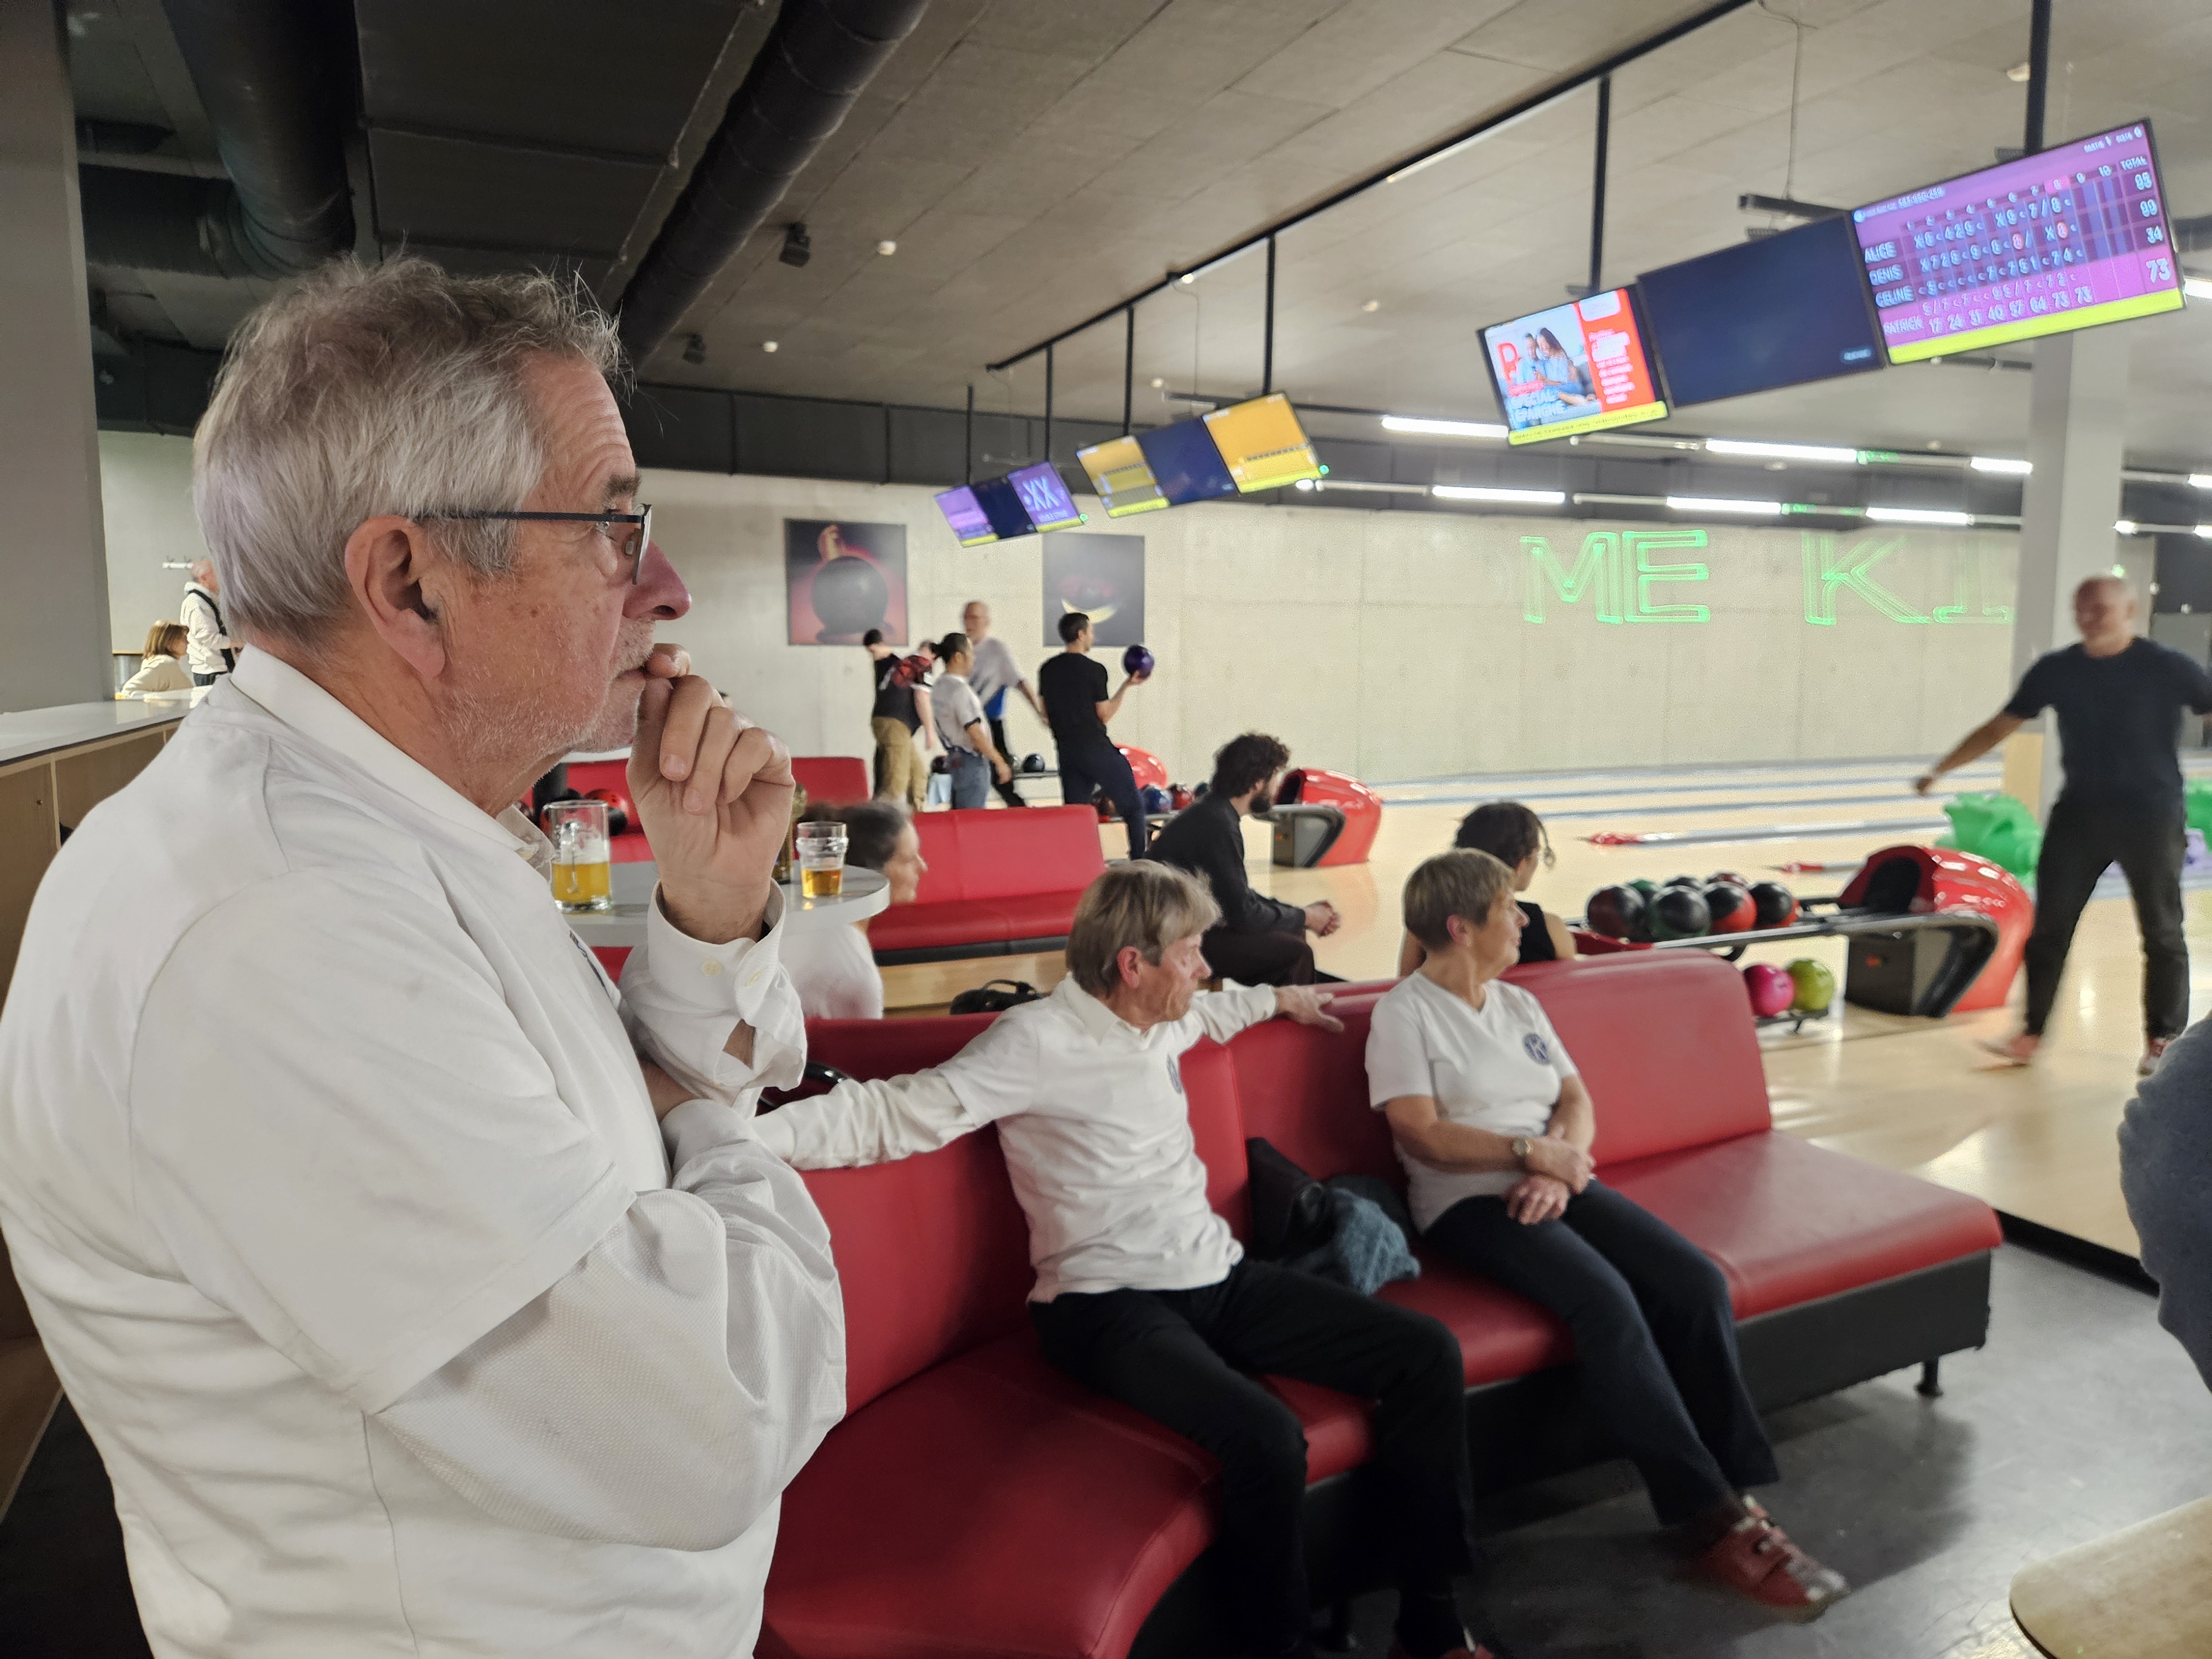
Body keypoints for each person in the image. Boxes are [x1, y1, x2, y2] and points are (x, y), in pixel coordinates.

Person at [0, 258, 844, 1657]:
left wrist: (703, 923)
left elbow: (605, 1146)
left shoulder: (387, 832)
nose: (666, 588)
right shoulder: (278, 929)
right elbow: (716, 1418)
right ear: (410, 585)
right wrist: (714, 1121)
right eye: (615, 526)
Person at [756, 862, 1502, 1659]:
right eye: (1191, 953)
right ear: (1132, 964)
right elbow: (896, 1114)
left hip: (1216, 1278)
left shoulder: (1160, 1018)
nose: (1205, 969)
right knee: (1268, 1439)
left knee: (1426, 1354)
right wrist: (747, 1138)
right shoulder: (1037, 1041)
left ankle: (1429, 1625)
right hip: (1104, 1306)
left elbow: (1214, 1013)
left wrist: (1280, 1000)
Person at [1368, 849, 1848, 1623]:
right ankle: (1710, 1517)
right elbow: (1419, 1132)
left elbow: (1576, 1100)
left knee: (1693, 1282)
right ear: (1460, 927)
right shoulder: (1406, 1013)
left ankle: (1734, 1484)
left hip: (1555, 1178)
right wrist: (1530, 1154)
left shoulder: (1518, 1003)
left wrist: (1558, 1167)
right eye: (1508, 908)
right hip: (1467, 1202)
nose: (1523, 919)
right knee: (1605, 1302)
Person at [1916, 574, 2212, 1075]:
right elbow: (2000, 726)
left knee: (2162, 931)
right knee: (2049, 928)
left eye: (2100, 608)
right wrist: (1941, 769)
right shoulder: (2057, 670)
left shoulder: (2166, 665)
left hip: (2151, 814)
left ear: (2130, 611)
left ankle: (2163, 1040)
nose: (2088, 618)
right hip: (2079, 814)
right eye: (2081, 608)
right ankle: (2031, 1033)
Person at [1147, 731, 1339, 986]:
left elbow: (1238, 897)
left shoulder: (1213, 811)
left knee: (1292, 929)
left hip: (1181, 926)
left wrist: (1300, 915)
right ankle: (1289, 1009)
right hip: (1175, 939)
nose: (1277, 787)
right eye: (1275, 777)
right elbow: (1244, 915)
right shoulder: (1218, 824)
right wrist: (1307, 916)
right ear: (1258, 782)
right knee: (1296, 954)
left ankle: (1283, 1003)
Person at [780, 799, 927, 1020]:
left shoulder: (825, 926)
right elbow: (865, 1040)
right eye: (908, 860)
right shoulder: (856, 969)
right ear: (871, 873)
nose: (923, 867)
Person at [1398, 802, 1576, 977]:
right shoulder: (1551, 929)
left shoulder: (1428, 920)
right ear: (1522, 864)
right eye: (1537, 854)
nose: (1522, 920)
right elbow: (1572, 980)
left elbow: (1405, 981)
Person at [1039, 610, 1148, 859]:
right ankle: (1140, 865)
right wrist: (1126, 686)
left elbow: (1046, 713)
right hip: (1096, 750)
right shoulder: (1094, 670)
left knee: (1077, 817)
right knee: (1134, 807)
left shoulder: (1047, 669)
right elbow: (1104, 714)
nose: (1093, 637)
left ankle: (1079, 866)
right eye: (1091, 632)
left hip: (1067, 753)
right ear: (1081, 635)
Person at [963, 599, 1043, 807]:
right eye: (966, 617)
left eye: (975, 618)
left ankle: (1021, 813)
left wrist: (1040, 712)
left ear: (987, 621)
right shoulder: (960, 651)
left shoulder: (996, 650)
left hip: (991, 722)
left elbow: (1020, 682)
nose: (969, 623)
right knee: (967, 777)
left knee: (1002, 777)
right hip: (965, 725)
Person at [930, 631, 1014, 810]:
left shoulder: (939, 687)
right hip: (971, 761)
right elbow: (974, 731)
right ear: (958, 657)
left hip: (954, 757)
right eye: (971, 654)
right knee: (972, 817)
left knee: (959, 815)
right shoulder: (961, 691)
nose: (974, 659)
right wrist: (999, 761)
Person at [869, 633, 934, 811]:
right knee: (897, 778)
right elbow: (922, 698)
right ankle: (887, 819)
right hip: (896, 724)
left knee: (917, 774)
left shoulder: (897, 664)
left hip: (888, 723)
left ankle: (917, 813)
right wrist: (930, 732)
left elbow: (878, 653)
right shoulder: (921, 664)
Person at [180, 556, 236, 684]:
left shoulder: (209, 599)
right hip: (212, 673)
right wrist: (239, 642)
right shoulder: (196, 603)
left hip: (220, 669)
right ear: (203, 578)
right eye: (218, 573)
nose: (223, 578)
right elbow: (209, 639)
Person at [119, 620, 192, 697]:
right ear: (168, 641)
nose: (188, 642)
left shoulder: (160, 663)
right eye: (183, 638)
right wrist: (161, 700)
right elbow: (129, 690)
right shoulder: (165, 664)